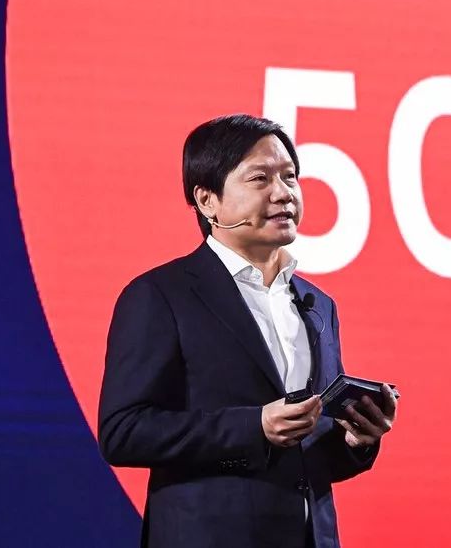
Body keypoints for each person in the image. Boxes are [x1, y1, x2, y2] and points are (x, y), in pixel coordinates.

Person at [97, 114, 397, 548]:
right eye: (260, 178)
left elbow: (308, 459)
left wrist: (355, 440)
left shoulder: (318, 304)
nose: (284, 192)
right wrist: (253, 426)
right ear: (207, 200)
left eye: (290, 176)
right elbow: (123, 432)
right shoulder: (160, 295)